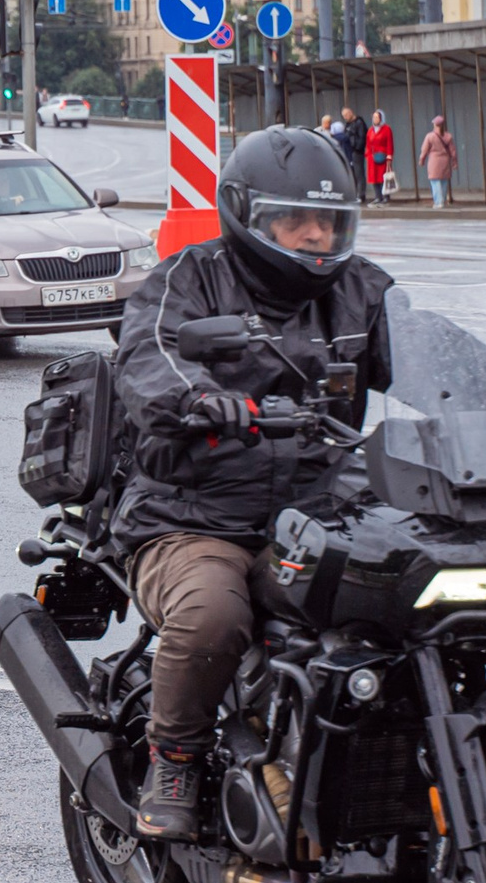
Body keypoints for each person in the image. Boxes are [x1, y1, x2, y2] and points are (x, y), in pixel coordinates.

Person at [111, 127, 393, 840]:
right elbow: (152, 355)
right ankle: (173, 757)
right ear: (249, 217)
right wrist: (201, 398)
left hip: (325, 510)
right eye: (296, 220)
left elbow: (431, 351)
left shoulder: (362, 290)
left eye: (329, 221)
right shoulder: (191, 277)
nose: (316, 236)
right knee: (213, 612)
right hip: (197, 514)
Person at [418, 114, 458, 208]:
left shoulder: (430, 136)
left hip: (434, 161)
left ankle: (438, 202)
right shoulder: (448, 136)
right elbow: (453, 151)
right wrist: (454, 162)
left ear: (435, 125)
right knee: (444, 181)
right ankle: (443, 200)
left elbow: (424, 150)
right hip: (445, 161)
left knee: (435, 181)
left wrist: (422, 160)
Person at [364, 109, 395, 205]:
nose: (375, 119)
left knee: (383, 177)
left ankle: (386, 196)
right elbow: (368, 144)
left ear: (381, 118)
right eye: (373, 117)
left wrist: (389, 156)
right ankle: (378, 197)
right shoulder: (370, 130)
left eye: (377, 117)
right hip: (372, 158)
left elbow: (389, 143)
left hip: (383, 157)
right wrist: (368, 155)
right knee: (374, 178)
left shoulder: (386, 129)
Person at [336, 105, 367, 193]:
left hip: (356, 151)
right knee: (352, 174)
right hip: (349, 151)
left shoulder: (359, 122)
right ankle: (355, 193)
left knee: (359, 173)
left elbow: (362, 137)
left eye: (346, 115)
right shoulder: (348, 124)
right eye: (343, 116)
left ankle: (361, 194)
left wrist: (357, 148)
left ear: (350, 113)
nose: (345, 117)